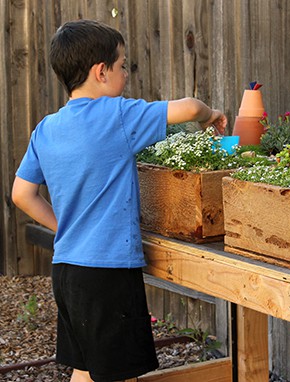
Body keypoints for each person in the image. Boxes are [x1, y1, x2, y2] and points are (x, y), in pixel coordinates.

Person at [11, 19, 227, 382]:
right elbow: (189, 108)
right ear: (101, 72)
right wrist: (212, 116)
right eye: (123, 65)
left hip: (67, 271)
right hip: (107, 275)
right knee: (116, 375)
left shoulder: (46, 128)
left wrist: (66, 227)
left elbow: (22, 194)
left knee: (85, 370)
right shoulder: (116, 116)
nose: (125, 74)